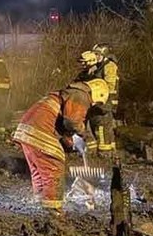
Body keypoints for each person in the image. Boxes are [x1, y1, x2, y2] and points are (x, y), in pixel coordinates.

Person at [12, 78, 110, 211]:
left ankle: (41, 202)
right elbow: (72, 122)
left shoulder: (69, 93)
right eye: (96, 103)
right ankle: (54, 210)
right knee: (54, 166)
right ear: (98, 94)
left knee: (40, 170)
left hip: (28, 130)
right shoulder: (81, 96)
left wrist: (68, 140)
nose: (92, 106)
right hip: (39, 129)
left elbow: (63, 123)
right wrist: (86, 136)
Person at [80, 44, 120, 157]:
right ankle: (107, 154)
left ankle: (105, 154)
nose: (95, 56)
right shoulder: (97, 67)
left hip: (105, 103)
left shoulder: (110, 66)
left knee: (102, 130)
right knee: (96, 127)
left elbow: (109, 85)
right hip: (97, 103)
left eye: (97, 54)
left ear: (104, 55)